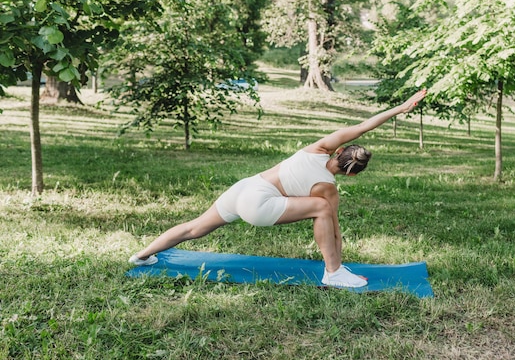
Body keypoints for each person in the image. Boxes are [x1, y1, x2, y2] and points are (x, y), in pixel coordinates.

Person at [129, 89, 428, 288]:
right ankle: (334, 273)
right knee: (324, 211)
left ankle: (142, 255)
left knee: (195, 228)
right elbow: (332, 229)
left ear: (340, 152)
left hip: (246, 187)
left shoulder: (319, 147)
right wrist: (338, 258)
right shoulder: (328, 189)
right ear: (352, 175)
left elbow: (363, 126)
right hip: (258, 206)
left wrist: (401, 107)